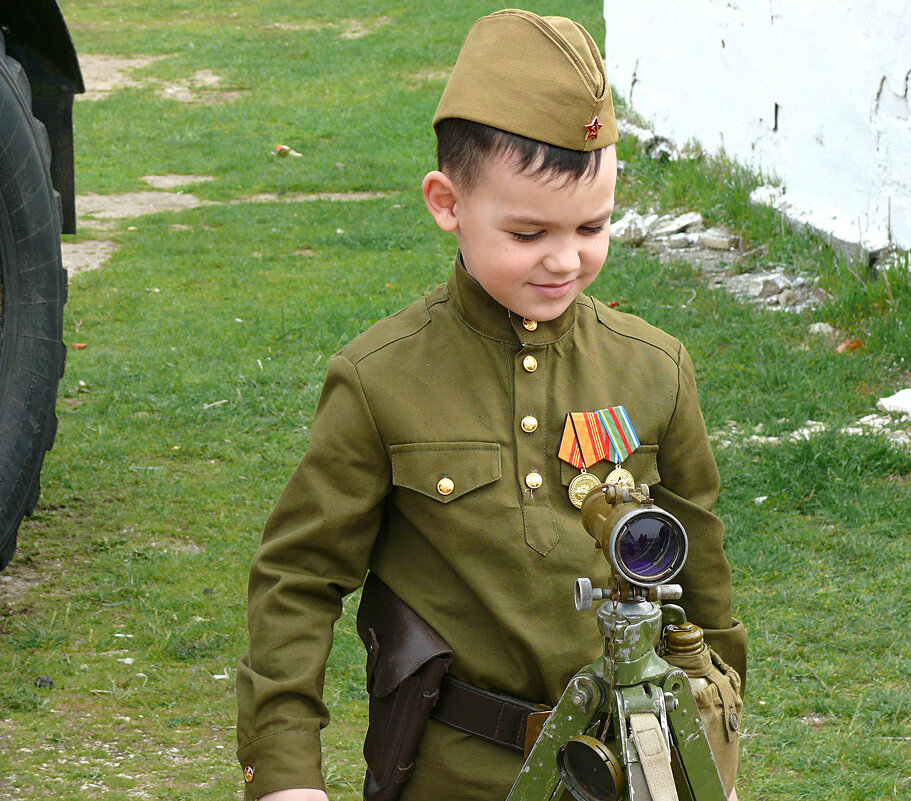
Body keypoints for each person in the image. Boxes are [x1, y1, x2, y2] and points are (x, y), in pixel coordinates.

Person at [236, 9, 747, 801]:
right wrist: (284, 771)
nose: (565, 257)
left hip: (637, 766)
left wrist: (713, 725)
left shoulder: (654, 370)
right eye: (527, 230)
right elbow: (297, 578)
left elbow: (702, 590)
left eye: (593, 224)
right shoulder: (381, 379)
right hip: (455, 772)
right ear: (447, 202)